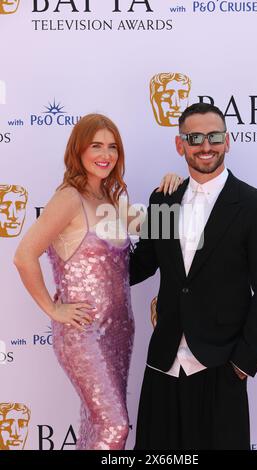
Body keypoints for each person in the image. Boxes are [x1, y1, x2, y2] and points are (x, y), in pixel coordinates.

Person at [14, 113, 182, 450]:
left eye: (113, 147)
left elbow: (155, 234)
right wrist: (53, 308)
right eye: (96, 146)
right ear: (79, 150)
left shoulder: (109, 200)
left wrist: (174, 185)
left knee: (96, 424)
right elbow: (24, 255)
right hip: (83, 331)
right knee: (114, 425)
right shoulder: (69, 198)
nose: (106, 154)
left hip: (120, 329)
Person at [129, 102, 257, 450]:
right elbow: (143, 265)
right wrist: (88, 258)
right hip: (164, 361)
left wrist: (243, 363)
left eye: (214, 136)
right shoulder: (163, 202)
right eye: (194, 137)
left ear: (227, 141)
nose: (205, 146)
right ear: (180, 144)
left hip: (221, 365)